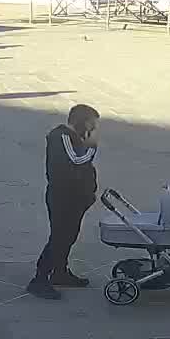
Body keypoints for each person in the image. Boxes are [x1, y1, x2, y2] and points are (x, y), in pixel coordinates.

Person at [31, 105, 100, 300]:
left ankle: (60, 272)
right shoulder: (61, 136)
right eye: (91, 124)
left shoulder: (76, 138)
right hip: (63, 197)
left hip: (75, 198)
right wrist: (92, 147)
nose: (93, 129)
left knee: (69, 236)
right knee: (59, 238)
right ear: (80, 121)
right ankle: (40, 279)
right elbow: (76, 160)